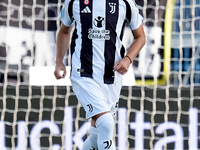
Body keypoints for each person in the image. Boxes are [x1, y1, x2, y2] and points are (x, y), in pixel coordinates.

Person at [54, 0, 145, 149]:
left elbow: (141, 36)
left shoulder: (125, 3)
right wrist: (59, 61)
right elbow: (64, 31)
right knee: (107, 123)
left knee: (97, 133)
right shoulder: (74, 2)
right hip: (83, 73)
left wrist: (128, 59)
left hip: (112, 75)